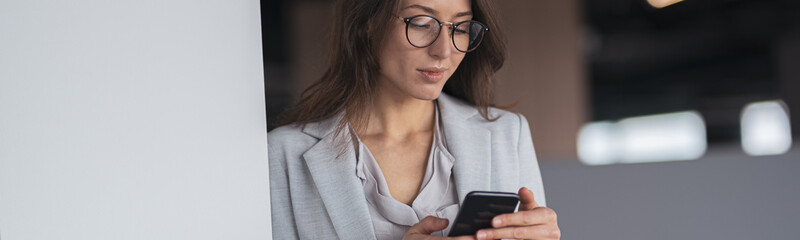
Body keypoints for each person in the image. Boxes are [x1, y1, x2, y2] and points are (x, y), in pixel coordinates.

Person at [268, 0, 560, 239]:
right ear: (369, 23)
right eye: (421, 23)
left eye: (460, 28)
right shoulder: (283, 155)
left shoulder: (508, 134)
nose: (444, 51)